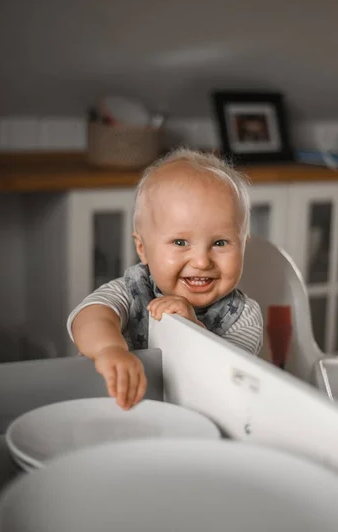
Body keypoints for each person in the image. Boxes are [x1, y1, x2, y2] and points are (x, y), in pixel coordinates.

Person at [67, 148, 263, 410]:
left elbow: (232, 374)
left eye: (220, 242)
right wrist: (109, 350)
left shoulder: (243, 316)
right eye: (180, 242)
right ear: (143, 248)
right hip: (121, 409)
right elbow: (89, 316)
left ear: (243, 246)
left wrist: (192, 326)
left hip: (201, 421)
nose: (202, 261)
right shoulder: (132, 291)